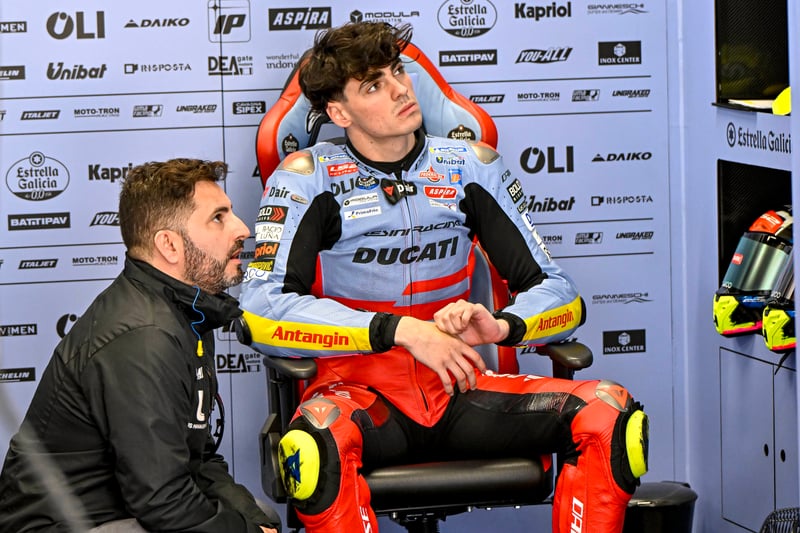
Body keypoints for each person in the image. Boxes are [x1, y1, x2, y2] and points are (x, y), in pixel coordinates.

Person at [239, 22, 649, 533]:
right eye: (374, 85)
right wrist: (401, 331)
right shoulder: (307, 178)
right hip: (359, 395)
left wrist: (501, 325)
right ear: (339, 113)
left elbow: (561, 293)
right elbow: (260, 310)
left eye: (397, 72)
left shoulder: (470, 166)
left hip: (460, 386)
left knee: (610, 415)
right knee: (313, 447)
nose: (400, 89)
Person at [0, 159, 281, 533]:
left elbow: (196, 460)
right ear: (169, 245)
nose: (243, 229)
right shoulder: (145, 336)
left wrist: (253, 523)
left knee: (261, 515)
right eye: (219, 217)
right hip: (66, 525)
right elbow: (164, 503)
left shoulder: (188, 311)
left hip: (123, 509)